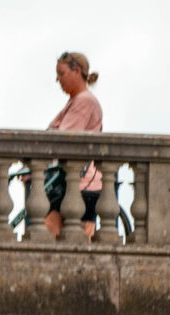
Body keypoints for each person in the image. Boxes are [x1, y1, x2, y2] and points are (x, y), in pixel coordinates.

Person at [43, 51, 104, 239]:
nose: (57, 79)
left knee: (51, 237)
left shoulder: (84, 102)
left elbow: (64, 140)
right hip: (77, 184)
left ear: (76, 71)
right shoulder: (77, 101)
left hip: (80, 185)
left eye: (61, 74)